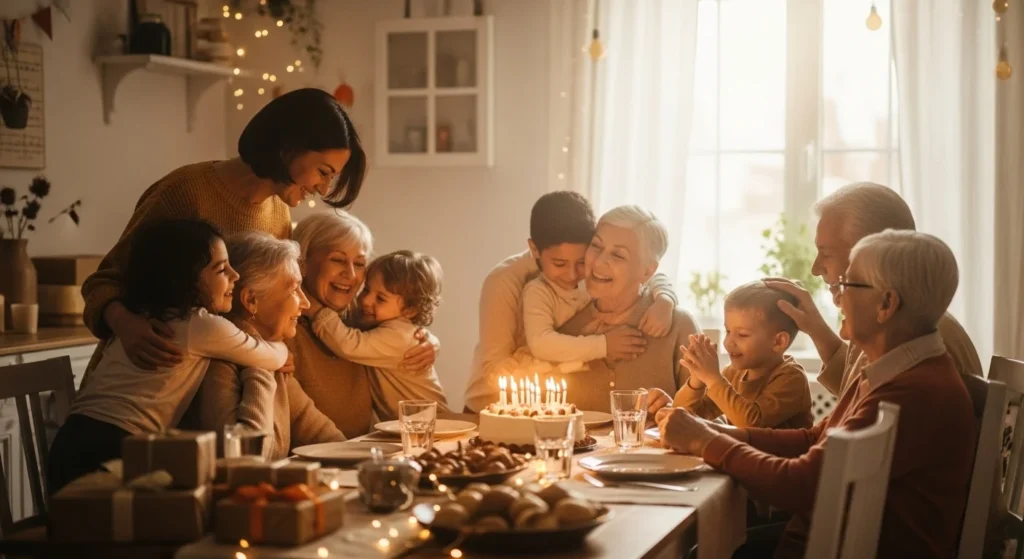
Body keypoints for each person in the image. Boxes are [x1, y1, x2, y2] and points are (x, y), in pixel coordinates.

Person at [659, 230, 976, 559]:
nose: (836, 297)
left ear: (886, 304)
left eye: (847, 285)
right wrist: (719, 431)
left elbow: (802, 485)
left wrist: (706, 443)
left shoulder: (912, 394)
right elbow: (816, 439)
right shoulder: (891, 367)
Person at [80, 88, 368, 375]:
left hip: (207, 386)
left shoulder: (279, 213)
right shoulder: (186, 192)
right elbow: (104, 281)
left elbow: (271, 303)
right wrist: (126, 325)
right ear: (289, 148)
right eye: (323, 172)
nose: (324, 188)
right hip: (139, 380)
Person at [48, 219, 289, 492]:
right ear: (187, 281)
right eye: (221, 269)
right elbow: (269, 357)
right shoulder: (199, 325)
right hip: (117, 446)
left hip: (70, 440)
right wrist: (281, 347)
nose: (235, 275)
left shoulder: (140, 313)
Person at [464, 193, 681, 413]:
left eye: (581, 261)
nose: (572, 275)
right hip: (492, 406)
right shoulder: (516, 283)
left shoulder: (591, 269)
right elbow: (498, 369)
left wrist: (665, 298)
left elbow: (640, 271)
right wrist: (602, 345)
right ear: (534, 250)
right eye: (559, 264)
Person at [180, 232, 346, 460]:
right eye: (294, 289)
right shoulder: (219, 364)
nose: (305, 304)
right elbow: (246, 458)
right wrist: (259, 364)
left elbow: (326, 437)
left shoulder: (274, 356)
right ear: (251, 301)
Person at [288, 213, 438, 436]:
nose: (349, 274)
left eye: (359, 264)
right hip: (324, 460)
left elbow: (401, 331)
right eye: (337, 259)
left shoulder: (360, 319)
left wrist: (429, 340)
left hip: (376, 449)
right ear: (303, 261)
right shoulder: (286, 326)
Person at [556, 205, 701, 413]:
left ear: (647, 271)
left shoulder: (678, 325)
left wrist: (677, 411)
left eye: (618, 255)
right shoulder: (563, 324)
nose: (599, 261)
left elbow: (713, 420)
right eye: (596, 246)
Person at [306, 250, 450, 421]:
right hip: (412, 425)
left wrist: (316, 310)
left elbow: (347, 344)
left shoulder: (398, 336)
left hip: (431, 424)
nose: (366, 300)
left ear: (410, 310)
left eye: (380, 299)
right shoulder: (381, 324)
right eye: (366, 290)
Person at [674, 281, 812, 429]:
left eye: (742, 334)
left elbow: (752, 423)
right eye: (728, 331)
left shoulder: (791, 379)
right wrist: (697, 380)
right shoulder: (733, 373)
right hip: (740, 452)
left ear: (778, 342)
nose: (728, 343)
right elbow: (683, 415)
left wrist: (713, 379)